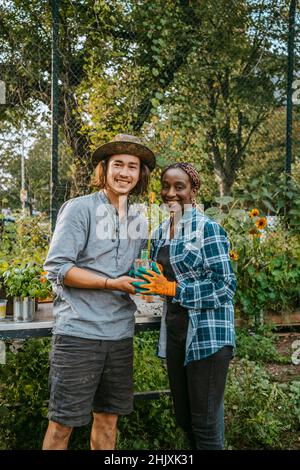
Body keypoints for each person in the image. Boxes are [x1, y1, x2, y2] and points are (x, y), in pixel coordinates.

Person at [42, 134, 155, 450]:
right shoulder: (80, 209)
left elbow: (138, 268)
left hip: (119, 334)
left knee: (107, 423)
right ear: (103, 170)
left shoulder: (138, 218)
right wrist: (110, 283)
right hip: (79, 333)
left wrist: (149, 279)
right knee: (62, 425)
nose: (125, 173)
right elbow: (58, 268)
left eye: (133, 166)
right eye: (117, 164)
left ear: (140, 175)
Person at [133, 162, 236, 450]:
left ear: (193, 190)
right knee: (184, 418)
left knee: (204, 424)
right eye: (166, 186)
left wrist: (174, 289)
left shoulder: (209, 229)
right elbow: (156, 277)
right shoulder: (161, 232)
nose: (171, 193)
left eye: (179, 187)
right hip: (177, 334)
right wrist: (150, 288)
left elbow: (225, 286)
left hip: (207, 336)